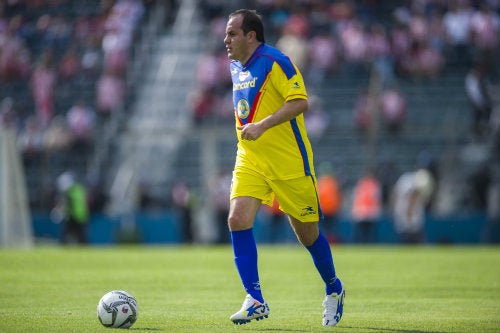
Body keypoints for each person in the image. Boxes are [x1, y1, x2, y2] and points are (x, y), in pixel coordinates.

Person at [223, 9, 344, 327]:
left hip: (289, 162)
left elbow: (301, 101)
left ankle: (334, 288)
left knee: (307, 234)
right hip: (250, 158)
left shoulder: (276, 62)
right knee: (237, 218)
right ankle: (255, 299)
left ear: (251, 36)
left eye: (232, 33)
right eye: (226, 33)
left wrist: (262, 124)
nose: (226, 39)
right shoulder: (235, 66)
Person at [53, 171, 90, 244]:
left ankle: (64, 245)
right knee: (81, 236)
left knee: (69, 234)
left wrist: (61, 211)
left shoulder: (70, 192)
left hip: (75, 216)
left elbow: (67, 205)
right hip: (82, 215)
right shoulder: (79, 188)